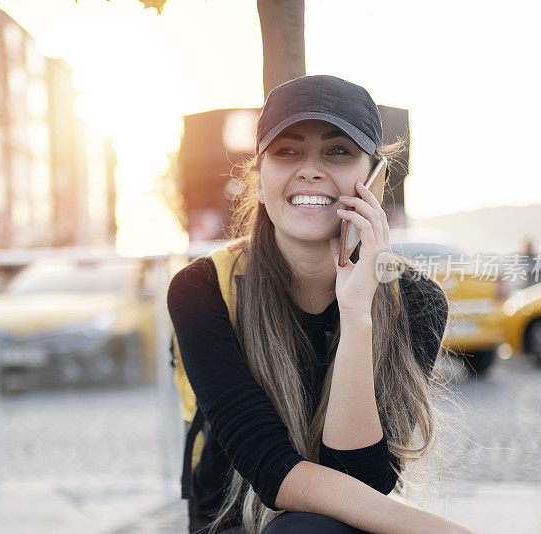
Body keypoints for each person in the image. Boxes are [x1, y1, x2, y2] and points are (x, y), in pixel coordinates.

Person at [167, 75, 474, 534]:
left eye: (337, 151)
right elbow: (271, 470)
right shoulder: (203, 288)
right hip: (232, 521)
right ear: (259, 178)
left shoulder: (415, 299)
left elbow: (362, 480)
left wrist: (357, 315)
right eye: (287, 151)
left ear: (376, 177)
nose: (310, 170)